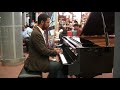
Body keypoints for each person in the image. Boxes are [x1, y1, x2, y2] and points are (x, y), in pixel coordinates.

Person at [24, 13, 65, 78]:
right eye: (47, 22)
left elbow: (43, 47)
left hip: (38, 59)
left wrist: (53, 49)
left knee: (57, 65)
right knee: (58, 65)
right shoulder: (36, 33)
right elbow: (43, 51)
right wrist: (56, 52)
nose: (48, 25)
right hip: (36, 62)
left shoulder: (39, 31)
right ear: (42, 22)